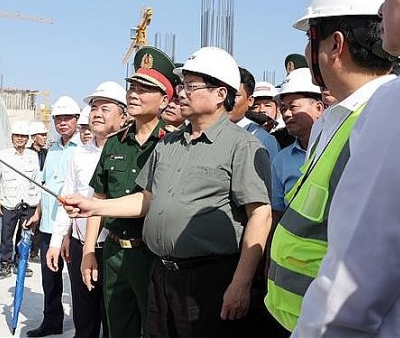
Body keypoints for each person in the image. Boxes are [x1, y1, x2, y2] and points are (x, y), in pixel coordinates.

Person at [65, 46, 273, 337]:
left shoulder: (244, 147)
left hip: (209, 279)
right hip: (160, 275)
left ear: (220, 95)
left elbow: (260, 216)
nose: (182, 93)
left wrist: (240, 284)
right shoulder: (168, 144)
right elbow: (146, 199)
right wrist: (94, 206)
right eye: (181, 86)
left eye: (191, 86)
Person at [265, 0, 398, 332]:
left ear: (335, 44)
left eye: (311, 40)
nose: (309, 54)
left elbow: (364, 267)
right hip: (293, 318)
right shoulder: (331, 122)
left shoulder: (380, 121)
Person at [294, 0, 400, 335]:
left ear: (335, 45)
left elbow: (350, 285)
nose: (383, 8)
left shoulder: (398, 106)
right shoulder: (333, 121)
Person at [79, 46, 176, 338]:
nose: (134, 93)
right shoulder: (113, 144)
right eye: (132, 86)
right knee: (118, 328)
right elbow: (100, 196)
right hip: (113, 253)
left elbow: (151, 201)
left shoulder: (172, 144)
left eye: (145, 88)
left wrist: (91, 208)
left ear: (164, 99)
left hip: (152, 257)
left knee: (153, 330)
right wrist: (88, 251)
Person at [46, 81, 127, 338]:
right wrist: (59, 239)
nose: (96, 113)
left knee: (113, 317)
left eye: (105, 108)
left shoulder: (129, 153)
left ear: (124, 116)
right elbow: (67, 200)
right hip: (82, 246)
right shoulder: (79, 155)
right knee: (84, 315)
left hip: (115, 248)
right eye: (93, 107)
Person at [24, 96, 82, 337]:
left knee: (78, 284)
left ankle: (85, 326)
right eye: (58, 119)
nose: (62, 123)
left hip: (70, 228)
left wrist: (68, 232)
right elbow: (45, 185)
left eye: (67, 118)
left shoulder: (83, 149)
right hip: (48, 226)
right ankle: (52, 321)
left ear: (77, 120)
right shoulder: (53, 150)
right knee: (50, 280)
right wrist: (37, 213)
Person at [270, 68, 323, 226]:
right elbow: (276, 212)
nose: (286, 114)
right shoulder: (281, 160)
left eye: (293, 107)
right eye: (283, 108)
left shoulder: (336, 147)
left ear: (319, 108)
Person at [0, 120, 41, 280]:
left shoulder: (33, 155)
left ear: (27, 139)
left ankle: (21, 262)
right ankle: (5, 264)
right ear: (12, 137)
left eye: (23, 136)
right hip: (9, 203)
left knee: (25, 234)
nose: (20, 139)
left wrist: (38, 202)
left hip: (29, 202)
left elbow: (37, 179)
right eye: (17, 136)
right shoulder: (3, 155)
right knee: (7, 235)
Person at [229, 67, 281, 160]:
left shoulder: (264, 139)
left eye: (236, 95)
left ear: (250, 100)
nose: (262, 110)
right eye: (256, 106)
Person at [28, 120, 49, 262]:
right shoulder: (28, 154)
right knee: (29, 223)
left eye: (45, 135)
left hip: (43, 191)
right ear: (34, 137)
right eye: (42, 135)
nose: (45, 137)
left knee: (40, 223)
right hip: (30, 193)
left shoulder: (46, 153)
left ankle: (35, 252)